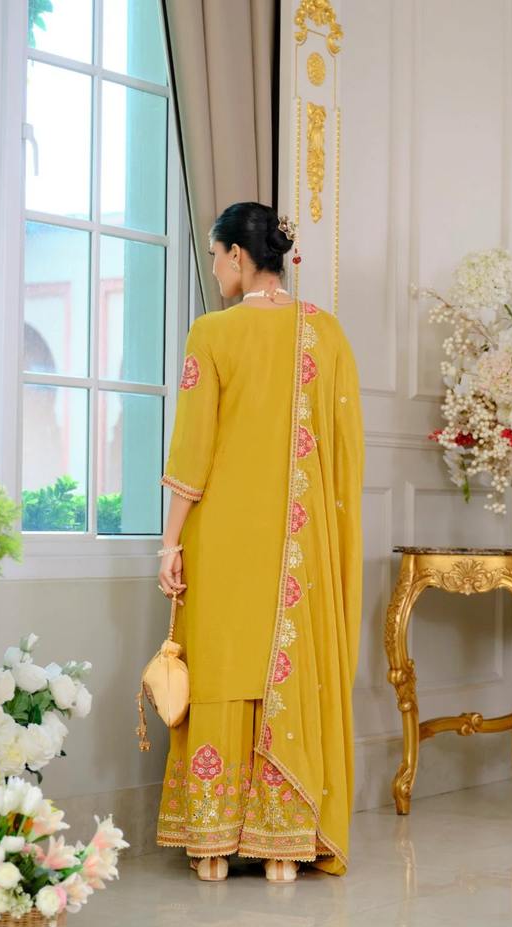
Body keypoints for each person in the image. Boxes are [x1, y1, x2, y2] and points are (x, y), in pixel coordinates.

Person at [155, 202, 364, 882]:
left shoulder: (212, 333)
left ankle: (212, 846)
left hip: (223, 536)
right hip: (299, 543)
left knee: (221, 669)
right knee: (284, 666)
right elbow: (345, 453)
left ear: (239, 257)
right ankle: (283, 845)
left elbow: (193, 452)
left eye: (216, 257)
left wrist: (169, 544)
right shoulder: (325, 333)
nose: (215, 269)